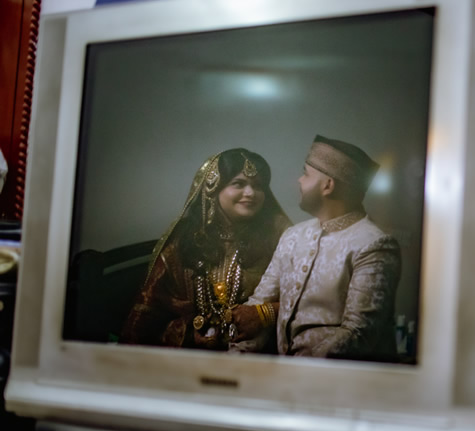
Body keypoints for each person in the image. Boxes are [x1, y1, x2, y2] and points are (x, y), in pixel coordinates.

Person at [230, 135, 401, 360]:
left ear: (327, 185)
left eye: (306, 174)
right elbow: (258, 306)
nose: (300, 181)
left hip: (342, 385)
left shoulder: (373, 244)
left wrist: (298, 373)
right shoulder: (293, 236)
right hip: (286, 380)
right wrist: (233, 360)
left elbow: (359, 334)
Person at [121, 148, 291, 350]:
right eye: (238, 184)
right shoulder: (183, 241)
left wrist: (264, 314)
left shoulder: (280, 236)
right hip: (188, 360)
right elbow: (144, 319)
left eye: (258, 186)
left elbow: (309, 302)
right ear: (213, 189)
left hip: (258, 359)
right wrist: (190, 333)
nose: (251, 193)